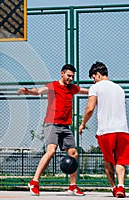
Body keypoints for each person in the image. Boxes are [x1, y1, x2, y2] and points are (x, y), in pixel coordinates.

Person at [18, 64, 88, 196]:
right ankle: (34, 182)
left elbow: (87, 91)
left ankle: (72, 186)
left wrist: (100, 90)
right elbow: (39, 91)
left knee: (74, 153)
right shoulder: (53, 86)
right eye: (68, 76)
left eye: (72, 76)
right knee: (51, 151)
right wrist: (28, 91)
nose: (71, 78)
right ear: (62, 74)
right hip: (52, 124)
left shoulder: (72, 88)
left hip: (65, 126)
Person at [79, 61, 129, 198]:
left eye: (93, 78)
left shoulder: (96, 87)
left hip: (106, 130)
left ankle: (113, 187)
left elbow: (90, 108)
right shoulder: (119, 89)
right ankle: (121, 187)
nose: (94, 81)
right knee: (120, 161)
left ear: (98, 75)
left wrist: (83, 123)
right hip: (123, 130)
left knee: (108, 161)